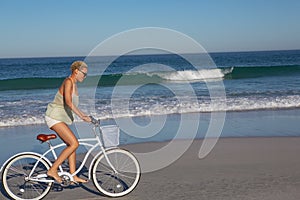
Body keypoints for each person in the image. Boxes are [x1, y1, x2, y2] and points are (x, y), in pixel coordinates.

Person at [45, 61, 91, 184]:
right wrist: (82, 116)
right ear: (76, 71)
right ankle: (53, 170)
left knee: (72, 145)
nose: (85, 76)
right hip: (54, 117)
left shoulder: (75, 84)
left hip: (59, 118)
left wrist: (84, 115)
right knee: (74, 143)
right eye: (84, 74)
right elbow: (68, 102)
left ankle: (73, 175)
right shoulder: (68, 82)